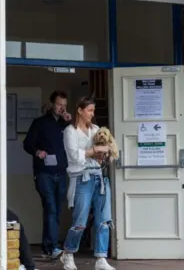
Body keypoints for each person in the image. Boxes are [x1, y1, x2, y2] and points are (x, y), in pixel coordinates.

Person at [60, 97, 115, 270]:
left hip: (100, 178)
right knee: (80, 222)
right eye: (90, 110)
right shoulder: (70, 131)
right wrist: (96, 150)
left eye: (93, 110)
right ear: (80, 111)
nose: (92, 114)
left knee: (104, 220)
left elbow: (105, 150)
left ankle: (101, 259)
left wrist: (101, 153)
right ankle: (68, 254)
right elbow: (75, 156)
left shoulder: (97, 129)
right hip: (81, 178)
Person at [23, 90, 72, 259]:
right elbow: (27, 144)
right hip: (44, 173)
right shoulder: (40, 123)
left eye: (64, 105)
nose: (61, 108)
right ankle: (52, 247)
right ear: (52, 104)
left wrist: (70, 122)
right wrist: (37, 152)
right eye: (59, 104)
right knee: (51, 207)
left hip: (61, 172)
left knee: (56, 210)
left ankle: (47, 248)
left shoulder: (67, 125)